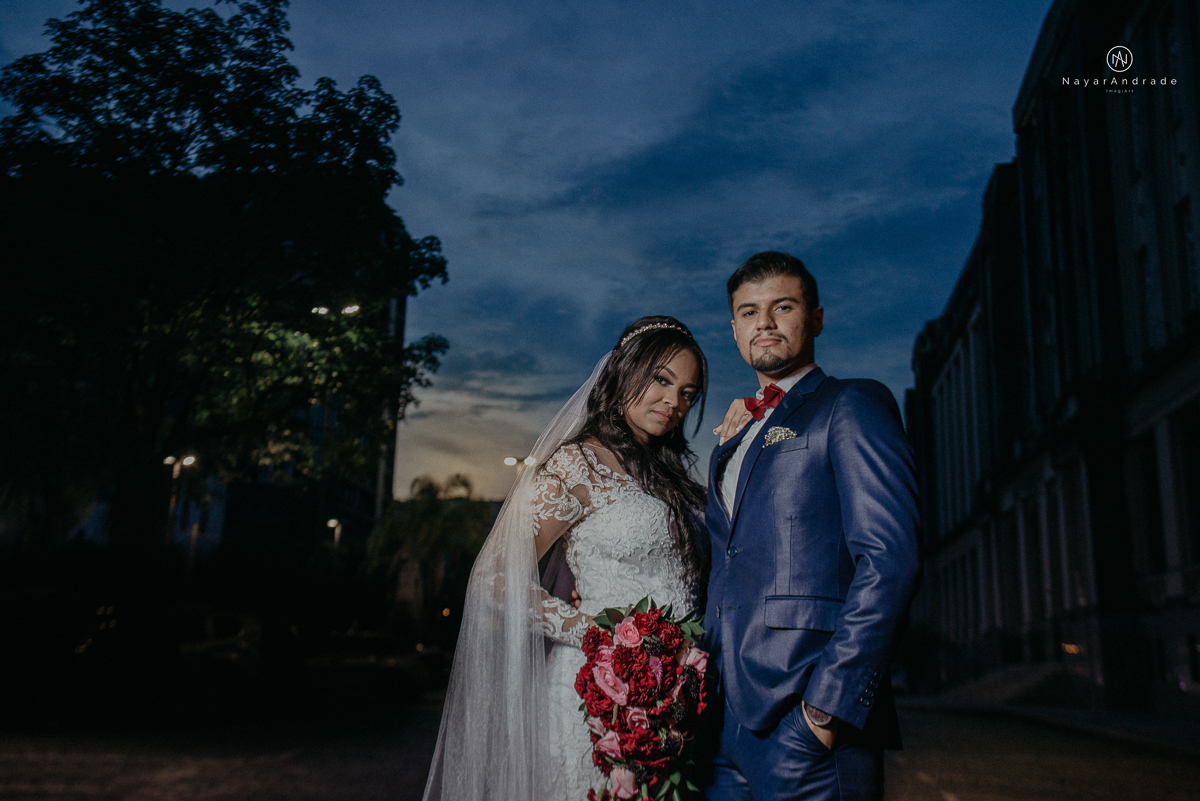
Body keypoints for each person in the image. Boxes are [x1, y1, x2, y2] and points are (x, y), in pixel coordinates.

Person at [421, 315, 710, 801]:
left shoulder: (671, 474)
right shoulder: (577, 464)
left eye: (688, 392)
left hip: (673, 700)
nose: (674, 402)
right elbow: (495, 578)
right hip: (597, 692)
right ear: (624, 372)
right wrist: (596, 633)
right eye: (661, 380)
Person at [701, 252, 920, 801]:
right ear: (733, 329)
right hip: (718, 725)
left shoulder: (852, 404)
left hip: (804, 721)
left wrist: (826, 709)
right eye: (749, 312)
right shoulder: (733, 435)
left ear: (816, 318)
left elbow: (890, 558)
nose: (765, 323)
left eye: (783, 307)